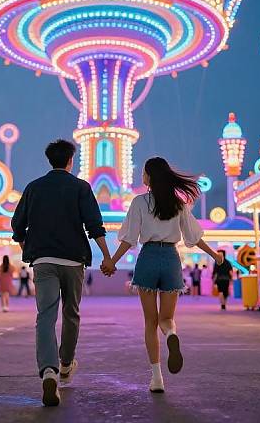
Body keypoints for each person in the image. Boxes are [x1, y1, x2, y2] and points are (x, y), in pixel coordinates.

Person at [101, 157, 222, 393]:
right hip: (170, 259)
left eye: (144, 173)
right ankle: (171, 335)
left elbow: (128, 239)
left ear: (149, 177)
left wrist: (112, 262)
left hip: (147, 258)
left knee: (150, 322)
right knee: (166, 319)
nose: (141, 177)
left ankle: (157, 379)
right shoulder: (178, 204)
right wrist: (215, 255)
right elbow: (194, 237)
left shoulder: (139, 202)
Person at [12, 139, 112, 407]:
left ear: (50, 160)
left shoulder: (33, 188)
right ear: (70, 161)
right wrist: (107, 256)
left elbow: (17, 226)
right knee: (71, 313)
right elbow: (95, 225)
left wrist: (29, 247)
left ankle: (49, 372)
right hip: (73, 261)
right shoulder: (81, 187)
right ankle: (66, 363)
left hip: (43, 261)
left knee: (45, 316)